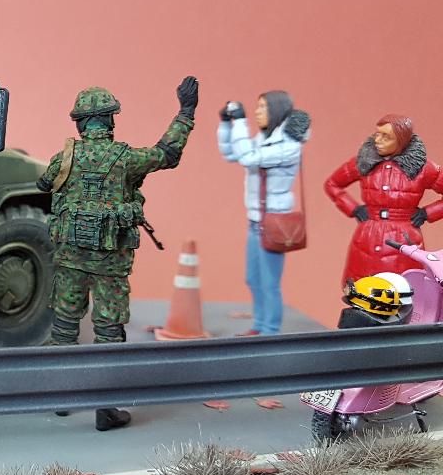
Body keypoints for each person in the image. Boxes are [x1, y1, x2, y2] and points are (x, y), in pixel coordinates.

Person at [36, 76, 199, 431]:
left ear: (80, 123)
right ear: (110, 120)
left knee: (64, 326)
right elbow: (167, 154)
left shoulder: (64, 157)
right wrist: (186, 112)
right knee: (108, 331)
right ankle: (105, 408)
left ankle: (60, 397)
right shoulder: (127, 159)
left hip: (70, 258)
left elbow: (44, 184)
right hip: (110, 262)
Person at [216, 92, 310, 336]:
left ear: (276, 110)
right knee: (253, 278)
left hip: (273, 223)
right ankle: (258, 326)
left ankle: (270, 330)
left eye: (263, 107)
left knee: (269, 283)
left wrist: (240, 122)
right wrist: (226, 124)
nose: (257, 112)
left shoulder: (288, 146)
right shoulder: (264, 138)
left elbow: (248, 158)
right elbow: (231, 153)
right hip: (256, 221)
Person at [323, 114, 443, 284]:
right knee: (361, 287)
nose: (377, 140)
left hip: (404, 238)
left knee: (403, 288)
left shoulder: (423, 168)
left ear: (401, 140)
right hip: (368, 237)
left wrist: (427, 213)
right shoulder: (364, 162)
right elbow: (332, 184)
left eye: (386, 137)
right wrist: (353, 208)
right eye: (378, 134)